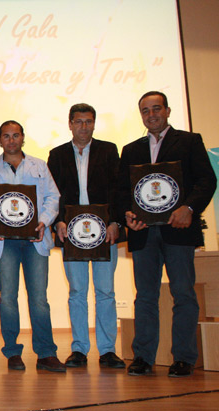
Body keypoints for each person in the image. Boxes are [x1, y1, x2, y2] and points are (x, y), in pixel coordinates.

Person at [119, 91, 216, 377]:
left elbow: (206, 180)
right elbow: (123, 191)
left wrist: (189, 207)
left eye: (156, 108)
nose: (152, 115)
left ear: (168, 110)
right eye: (146, 110)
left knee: (183, 293)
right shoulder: (131, 149)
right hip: (143, 233)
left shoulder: (189, 141)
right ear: (141, 116)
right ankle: (143, 357)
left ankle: (184, 357)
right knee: (145, 296)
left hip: (179, 230)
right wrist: (127, 215)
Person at [0, 120, 65, 372]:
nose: (11, 140)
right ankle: (12, 353)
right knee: (8, 298)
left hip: (35, 240)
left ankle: (46, 354)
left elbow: (53, 197)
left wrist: (43, 221)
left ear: (22, 138)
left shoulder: (39, 166)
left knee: (39, 299)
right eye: (6, 136)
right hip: (4, 241)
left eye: (15, 135)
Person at [47, 103, 126, 369]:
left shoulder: (109, 150)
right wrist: (57, 221)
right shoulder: (57, 155)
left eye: (88, 121)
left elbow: (118, 190)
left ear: (94, 123)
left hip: (105, 233)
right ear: (69, 124)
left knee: (105, 291)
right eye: (78, 122)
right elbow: (52, 193)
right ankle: (79, 349)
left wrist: (115, 221)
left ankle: (108, 351)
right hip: (71, 233)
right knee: (77, 292)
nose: (84, 127)